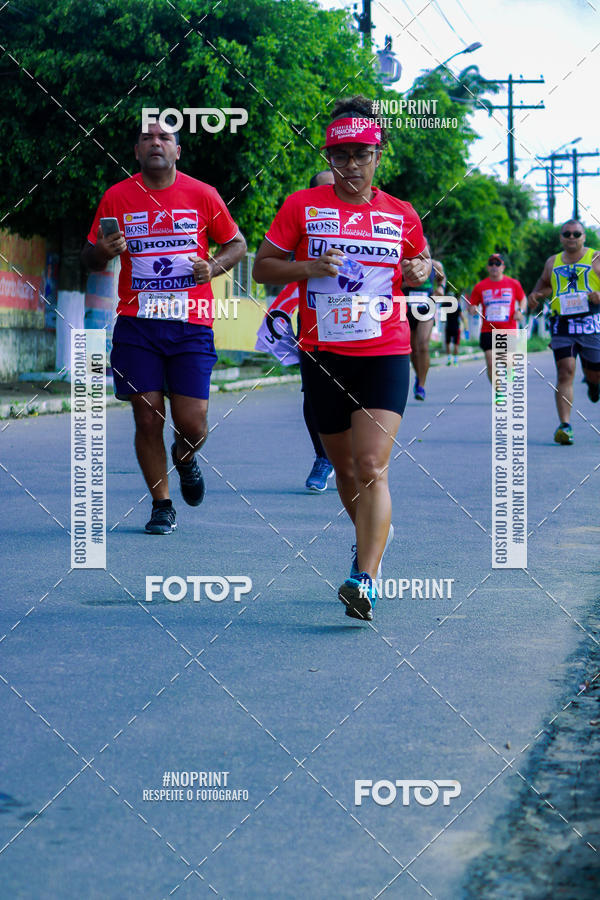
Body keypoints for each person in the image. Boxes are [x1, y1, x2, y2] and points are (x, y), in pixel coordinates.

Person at [253, 96, 431, 621]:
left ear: (378, 155)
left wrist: (421, 271)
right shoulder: (301, 206)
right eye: (339, 154)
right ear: (328, 157)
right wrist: (309, 266)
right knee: (346, 470)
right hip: (323, 353)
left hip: (385, 350)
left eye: (360, 153)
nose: (350, 164)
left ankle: (364, 577)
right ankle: (371, 535)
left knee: (373, 464)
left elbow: (419, 266)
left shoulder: (401, 213)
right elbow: (264, 268)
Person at [82, 120, 246, 533]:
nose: (156, 143)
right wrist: (101, 250)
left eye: (165, 138)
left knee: (192, 423)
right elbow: (91, 258)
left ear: (177, 151)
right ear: (136, 152)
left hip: (191, 325)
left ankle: (186, 458)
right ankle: (161, 504)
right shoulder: (117, 197)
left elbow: (237, 244)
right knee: (147, 418)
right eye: (146, 138)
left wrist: (212, 267)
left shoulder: (202, 194)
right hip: (138, 325)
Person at [529, 220, 600, 445]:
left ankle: (593, 384)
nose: (571, 237)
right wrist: (535, 295)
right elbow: (542, 284)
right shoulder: (553, 261)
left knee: (595, 374)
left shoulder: (596, 259)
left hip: (592, 324)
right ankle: (565, 425)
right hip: (563, 325)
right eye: (567, 234)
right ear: (561, 237)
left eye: (576, 234)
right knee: (565, 371)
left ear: (584, 237)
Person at [467, 253, 526, 383]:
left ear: (503, 267)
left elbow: (523, 299)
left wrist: (520, 311)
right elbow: (472, 306)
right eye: (491, 264)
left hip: (508, 329)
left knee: (508, 361)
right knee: (491, 362)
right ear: (488, 267)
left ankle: (510, 376)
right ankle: (499, 392)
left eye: (497, 264)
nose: (494, 267)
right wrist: (473, 310)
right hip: (488, 330)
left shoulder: (513, 283)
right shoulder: (480, 286)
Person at [404, 251, 446, 399]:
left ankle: (421, 385)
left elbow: (442, 279)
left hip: (426, 307)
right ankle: (418, 375)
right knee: (412, 349)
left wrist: (441, 288)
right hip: (406, 308)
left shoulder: (434, 265)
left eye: (425, 247)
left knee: (423, 345)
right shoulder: (404, 263)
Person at [444, 294, 466, 365]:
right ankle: (455, 361)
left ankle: (449, 359)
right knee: (456, 344)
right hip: (456, 327)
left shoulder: (445, 305)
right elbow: (462, 317)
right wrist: (466, 327)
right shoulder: (457, 306)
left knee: (447, 344)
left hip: (448, 327)